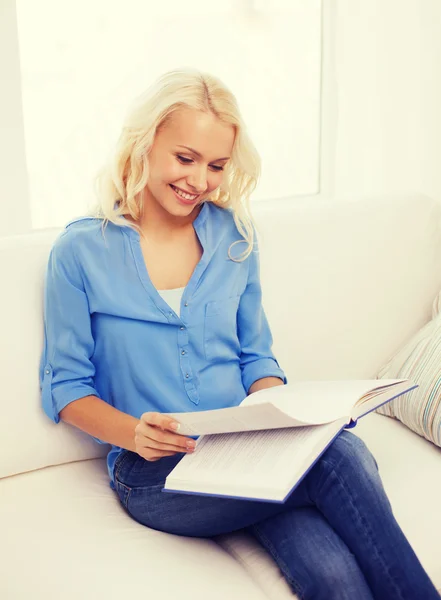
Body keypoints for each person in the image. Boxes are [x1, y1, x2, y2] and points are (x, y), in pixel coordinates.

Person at [39, 68, 439, 600]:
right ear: (145, 145)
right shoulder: (80, 252)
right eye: (185, 158)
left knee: (333, 576)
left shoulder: (235, 237)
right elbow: (67, 388)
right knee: (341, 457)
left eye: (216, 165)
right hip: (156, 475)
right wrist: (135, 433)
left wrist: (282, 415)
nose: (200, 180)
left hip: (246, 454)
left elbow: (256, 357)